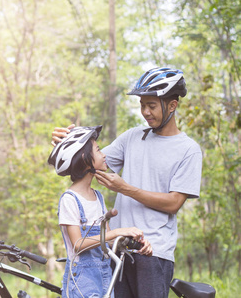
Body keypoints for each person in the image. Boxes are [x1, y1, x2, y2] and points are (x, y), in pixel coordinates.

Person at [51, 67, 203, 298]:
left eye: (152, 106)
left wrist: (125, 189)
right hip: (117, 250)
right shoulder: (133, 136)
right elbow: (88, 161)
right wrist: (66, 143)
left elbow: (174, 203)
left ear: (172, 105)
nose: (145, 112)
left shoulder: (188, 150)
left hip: (153, 252)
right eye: (142, 105)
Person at [48, 125, 152, 298]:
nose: (104, 154)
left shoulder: (98, 197)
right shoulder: (70, 199)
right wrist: (118, 231)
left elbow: (109, 243)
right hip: (81, 282)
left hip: (104, 277)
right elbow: (78, 245)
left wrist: (137, 244)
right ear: (84, 158)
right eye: (98, 150)